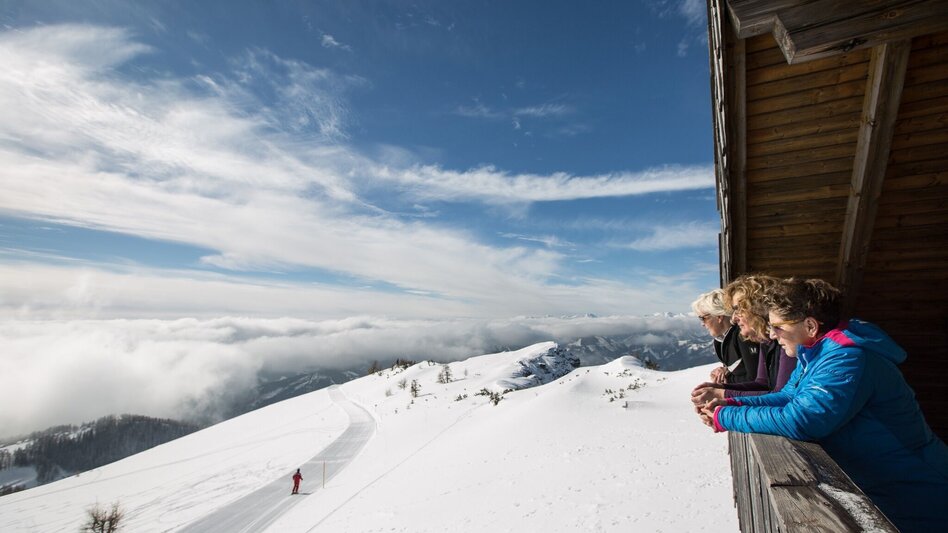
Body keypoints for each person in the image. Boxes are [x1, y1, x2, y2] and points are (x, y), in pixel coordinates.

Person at [702, 278, 948, 532]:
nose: (773, 335)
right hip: (884, 484)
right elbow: (787, 396)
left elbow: (803, 420)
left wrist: (725, 416)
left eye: (778, 327)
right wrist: (730, 402)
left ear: (809, 325)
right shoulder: (815, 352)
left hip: (918, 489)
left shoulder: (847, 357)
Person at [691, 275, 795, 407]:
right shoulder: (766, 341)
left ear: (758, 307)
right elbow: (762, 383)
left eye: (738, 309)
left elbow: (781, 397)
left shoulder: (787, 341)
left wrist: (723, 396)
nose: (733, 318)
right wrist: (721, 388)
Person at [691, 289, 759, 385]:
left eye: (703, 318)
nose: (702, 324)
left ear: (719, 317)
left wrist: (726, 379)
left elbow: (755, 378)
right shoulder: (721, 340)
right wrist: (725, 370)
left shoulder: (743, 336)